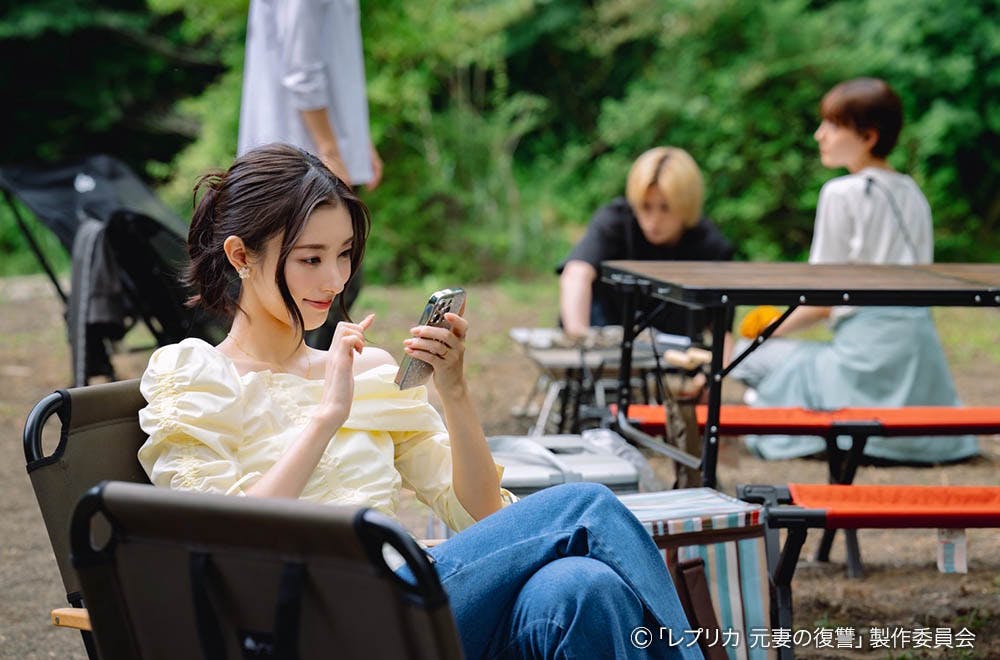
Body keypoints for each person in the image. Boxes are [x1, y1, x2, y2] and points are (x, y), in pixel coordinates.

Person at [137, 144, 698, 658]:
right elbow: (222, 548)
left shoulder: (368, 373)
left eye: (344, 254)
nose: (335, 280)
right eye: (310, 259)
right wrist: (326, 417)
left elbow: (480, 514)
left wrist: (453, 391)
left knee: (582, 588)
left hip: (406, 602)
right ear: (241, 255)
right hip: (307, 626)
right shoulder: (195, 373)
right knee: (585, 508)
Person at [733, 77, 978, 463]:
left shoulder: (841, 193)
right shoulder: (914, 193)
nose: (820, 134)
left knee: (743, 354)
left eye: (833, 126)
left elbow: (823, 298)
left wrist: (768, 328)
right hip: (919, 362)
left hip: (865, 362)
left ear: (868, 136)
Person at [237, 0, 383, 332]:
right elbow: (301, 69)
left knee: (336, 278)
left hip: (319, 148)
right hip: (302, 157)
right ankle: (306, 364)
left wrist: (360, 142)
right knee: (308, 285)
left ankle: (316, 362)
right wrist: (329, 148)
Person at [558, 146, 734, 342]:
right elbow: (576, 274)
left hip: (673, 350)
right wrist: (579, 338)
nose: (654, 221)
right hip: (604, 343)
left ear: (686, 205)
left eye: (665, 208)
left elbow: (722, 330)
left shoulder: (710, 246)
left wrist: (715, 362)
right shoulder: (615, 221)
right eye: (646, 206)